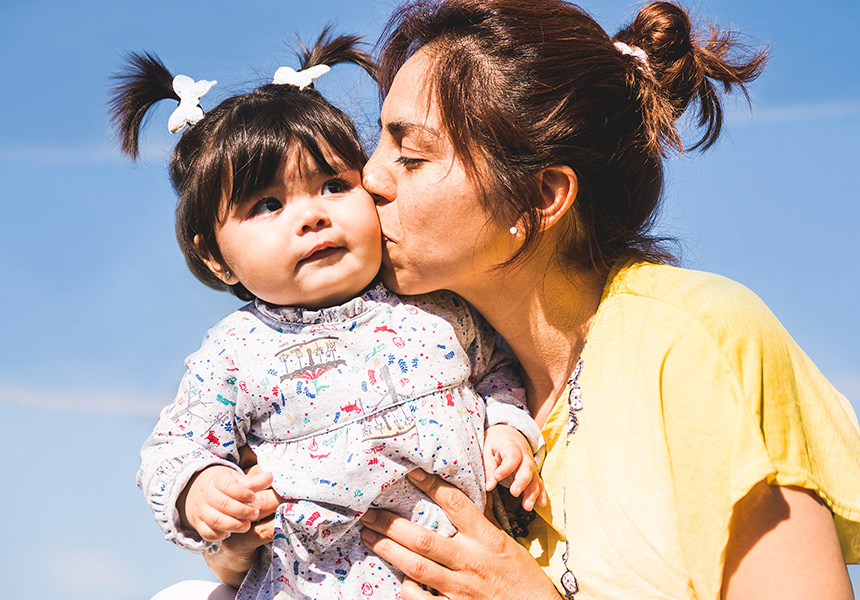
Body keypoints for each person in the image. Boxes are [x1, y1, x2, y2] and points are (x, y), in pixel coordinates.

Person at [200, 2, 860, 598]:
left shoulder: (699, 337)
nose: (367, 177)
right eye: (380, 140)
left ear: (540, 198)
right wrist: (243, 545)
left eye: (413, 154)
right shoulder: (408, 354)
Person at [110, 30, 545, 600]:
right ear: (216, 257)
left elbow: (496, 375)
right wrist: (201, 487)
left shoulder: (437, 308)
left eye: (334, 185)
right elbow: (174, 447)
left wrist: (508, 427)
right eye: (268, 204)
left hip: (453, 580)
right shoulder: (236, 351)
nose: (312, 215)